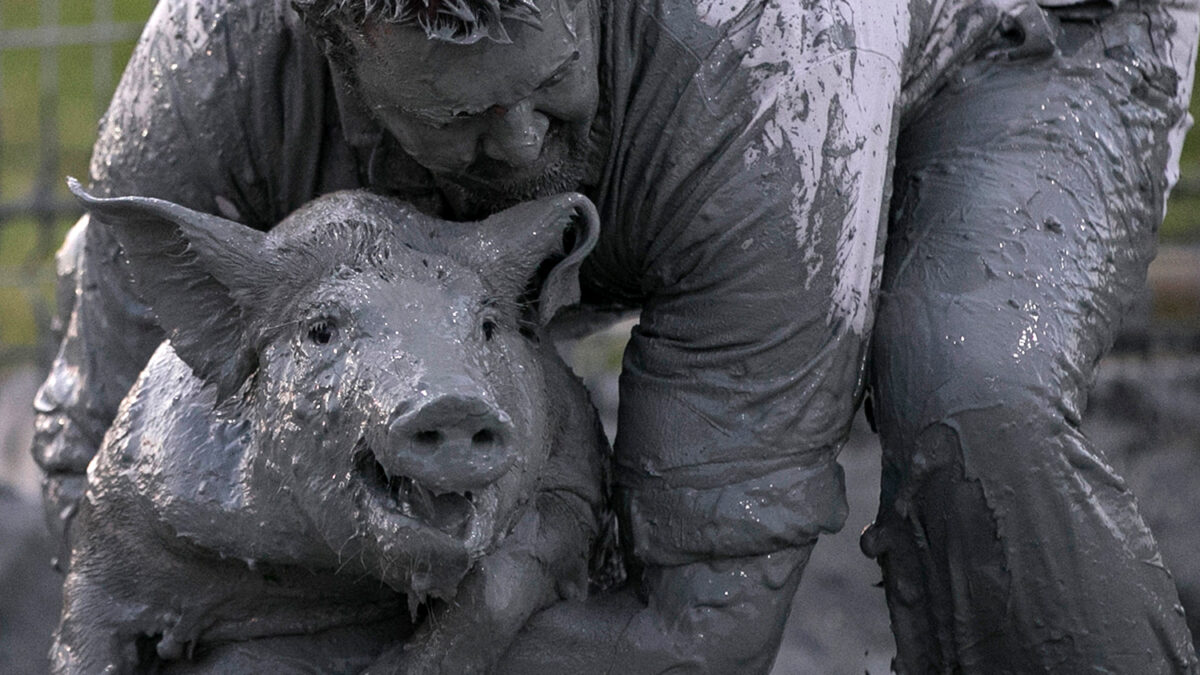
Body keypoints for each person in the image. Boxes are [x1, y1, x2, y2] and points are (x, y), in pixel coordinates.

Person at [33, 0, 1200, 670]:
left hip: (1032, 37)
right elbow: (96, 472)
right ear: (334, 51)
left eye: (551, 87)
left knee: (967, 382)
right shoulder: (213, 68)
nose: (530, 145)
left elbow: (708, 619)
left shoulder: (756, 72)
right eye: (466, 115)